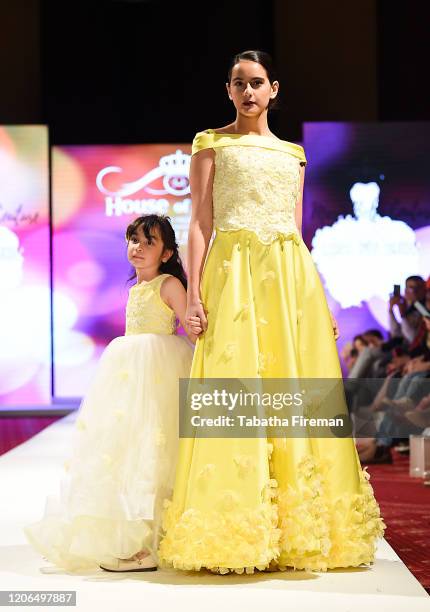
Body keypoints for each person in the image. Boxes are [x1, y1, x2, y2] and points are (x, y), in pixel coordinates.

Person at [158, 50, 386, 574]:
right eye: (239, 83)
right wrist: (193, 296)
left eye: (257, 82)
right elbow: (198, 224)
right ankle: (234, 531)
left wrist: (320, 298)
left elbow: (298, 233)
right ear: (229, 90)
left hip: (289, 279)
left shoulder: (293, 154)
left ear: (274, 89)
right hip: (233, 274)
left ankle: (299, 529)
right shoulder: (211, 143)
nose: (248, 92)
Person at [25, 214, 198, 573]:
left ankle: (153, 543)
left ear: (166, 253)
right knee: (128, 451)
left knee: (158, 451)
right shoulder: (135, 287)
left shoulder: (168, 284)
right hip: (130, 373)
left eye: (149, 242)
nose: (138, 247)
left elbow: (192, 331)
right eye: (133, 239)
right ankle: (135, 538)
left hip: (159, 372)